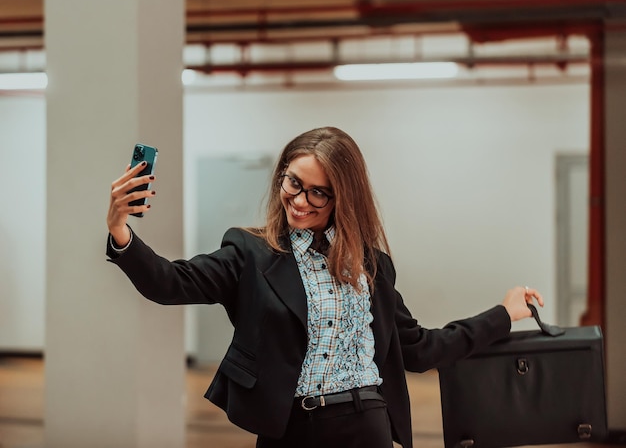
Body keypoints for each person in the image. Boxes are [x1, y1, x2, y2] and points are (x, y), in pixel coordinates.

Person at [106, 126, 544, 448]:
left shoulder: (372, 266)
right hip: (288, 428)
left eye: (319, 193)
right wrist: (120, 230)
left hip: (365, 424)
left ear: (343, 198)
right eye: (293, 182)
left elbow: (420, 349)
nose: (299, 200)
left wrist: (503, 314)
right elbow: (169, 283)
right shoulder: (251, 252)